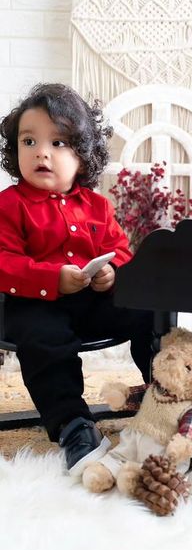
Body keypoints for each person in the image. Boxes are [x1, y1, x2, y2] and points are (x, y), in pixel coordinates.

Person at [0, 83, 154, 476]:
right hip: (32, 303)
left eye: (59, 142)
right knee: (43, 341)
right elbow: (4, 263)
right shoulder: (10, 204)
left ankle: (165, 392)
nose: (42, 152)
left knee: (148, 307)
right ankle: (71, 423)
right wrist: (51, 278)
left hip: (91, 302)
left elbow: (120, 249)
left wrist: (110, 272)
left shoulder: (97, 205)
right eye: (29, 141)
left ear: (83, 157)